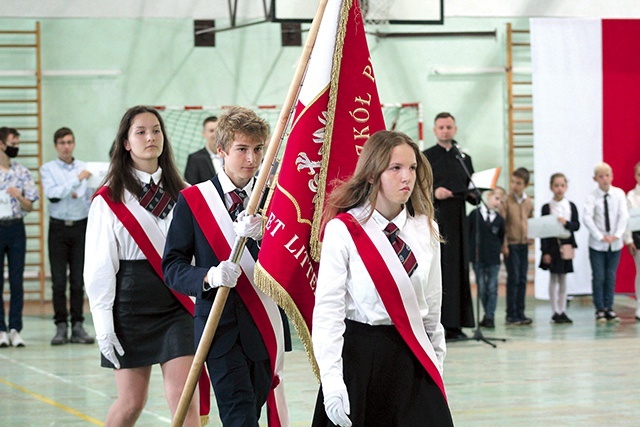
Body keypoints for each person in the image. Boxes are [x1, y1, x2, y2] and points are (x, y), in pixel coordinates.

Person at [312, 130, 452, 427]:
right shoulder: (343, 230)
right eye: (396, 168)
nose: (407, 177)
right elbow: (329, 310)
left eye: (412, 168)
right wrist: (332, 379)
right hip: (362, 360)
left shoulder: (425, 228)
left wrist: (436, 362)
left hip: (414, 358)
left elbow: (432, 308)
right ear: (373, 174)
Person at [163, 106, 289, 426]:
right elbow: (173, 267)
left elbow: (289, 265)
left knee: (253, 409)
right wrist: (208, 275)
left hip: (263, 326)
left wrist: (267, 236)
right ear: (221, 151)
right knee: (239, 415)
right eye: (242, 149)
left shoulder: (274, 200)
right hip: (219, 327)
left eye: (258, 149)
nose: (251, 159)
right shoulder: (193, 200)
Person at [84, 106, 200, 426]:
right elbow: (98, 268)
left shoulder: (186, 194)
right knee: (132, 401)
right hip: (131, 304)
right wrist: (103, 324)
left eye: (156, 130)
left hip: (178, 301)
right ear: (125, 142)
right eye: (141, 132)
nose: (151, 137)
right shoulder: (109, 199)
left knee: (184, 397)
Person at [422, 112, 477, 341]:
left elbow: (472, 190)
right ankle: (439, 324)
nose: (445, 131)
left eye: (449, 127)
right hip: (437, 220)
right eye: (441, 127)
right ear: (434, 131)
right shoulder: (426, 157)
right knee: (439, 271)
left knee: (459, 271)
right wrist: (434, 192)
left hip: (459, 221)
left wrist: (476, 192)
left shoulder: (463, 158)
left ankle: (458, 325)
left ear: (455, 129)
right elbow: (419, 189)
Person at [40, 127, 95, 345]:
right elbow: (53, 194)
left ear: (74, 144)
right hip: (59, 228)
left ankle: (78, 325)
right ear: (56, 145)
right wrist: (75, 181)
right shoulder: (48, 169)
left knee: (78, 280)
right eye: (62, 142)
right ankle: (61, 325)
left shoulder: (85, 168)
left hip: (81, 226)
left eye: (70, 142)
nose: (66, 146)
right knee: (59, 280)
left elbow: (90, 195)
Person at [0, 127, 39, 348]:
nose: (16, 147)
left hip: (16, 228)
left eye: (17, 143)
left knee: (17, 280)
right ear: (1, 144)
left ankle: (15, 328)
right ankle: (0, 329)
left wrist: (19, 196)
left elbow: (30, 205)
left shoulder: (22, 172)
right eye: (12, 143)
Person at [583, 162, 629, 324]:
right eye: (601, 176)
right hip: (597, 244)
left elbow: (624, 216)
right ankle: (599, 308)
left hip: (614, 243)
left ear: (612, 176)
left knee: (610, 276)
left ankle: (609, 307)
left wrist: (616, 235)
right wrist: (600, 236)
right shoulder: (592, 196)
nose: (604, 179)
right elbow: (587, 217)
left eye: (607, 175)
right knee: (599, 276)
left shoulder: (619, 194)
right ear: (595, 178)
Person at [538, 173, 580, 324]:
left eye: (562, 185)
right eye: (556, 185)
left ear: (566, 187)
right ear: (551, 187)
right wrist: (545, 251)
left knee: (563, 278)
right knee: (553, 277)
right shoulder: (546, 207)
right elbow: (543, 231)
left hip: (566, 243)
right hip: (552, 245)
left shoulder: (571, 206)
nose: (559, 188)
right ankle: (554, 310)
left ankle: (563, 310)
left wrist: (566, 223)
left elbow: (576, 225)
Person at [468, 187, 505, 329]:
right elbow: (469, 233)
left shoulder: (500, 220)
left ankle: (490, 316)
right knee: (482, 287)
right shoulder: (474, 215)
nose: (497, 203)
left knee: (492, 287)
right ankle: (486, 313)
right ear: (488, 196)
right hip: (478, 258)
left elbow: (501, 237)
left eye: (500, 201)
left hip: (493, 259)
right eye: (496, 199)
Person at [502, 167, 534, 325]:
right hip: (512, 245)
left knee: (522, 279)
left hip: (523, 245)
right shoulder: (506, 201)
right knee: (513, 278)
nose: (515, 186)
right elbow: (503, 225)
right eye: (513, 182)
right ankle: (511, 313)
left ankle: (521, 312)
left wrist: (532, 236)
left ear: (526, 185)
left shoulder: (528, 203)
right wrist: (504, 245)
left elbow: (531, 221)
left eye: (519, 183)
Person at [183, 115, 223, 185]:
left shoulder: (229, 155)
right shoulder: (195, 158)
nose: (215, 134)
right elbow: (191, 186)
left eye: (218, 131)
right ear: (204, 133)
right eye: (211, 131)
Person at [624, 162, 640, 321]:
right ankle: (639, 306)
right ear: (635, 176)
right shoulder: (631, 196)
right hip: (638, 238)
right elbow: (627, 220)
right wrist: (628, 240)